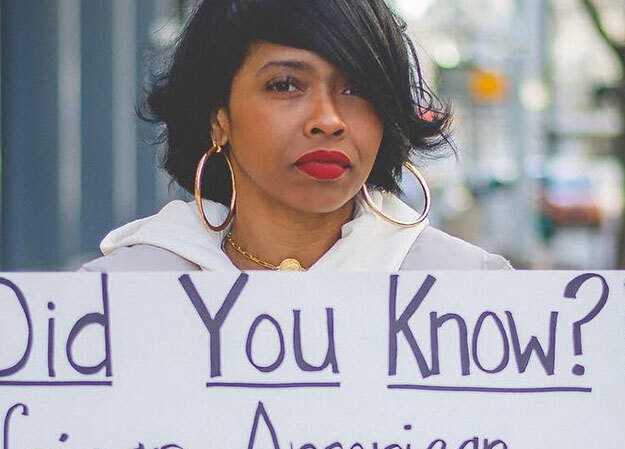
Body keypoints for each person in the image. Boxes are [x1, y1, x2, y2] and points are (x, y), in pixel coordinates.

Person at [81, 0, 511, 273]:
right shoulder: (117, 300)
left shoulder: (469, 293)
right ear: (219, 118)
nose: (328, 120)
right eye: (285, 85)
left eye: (358, 88)